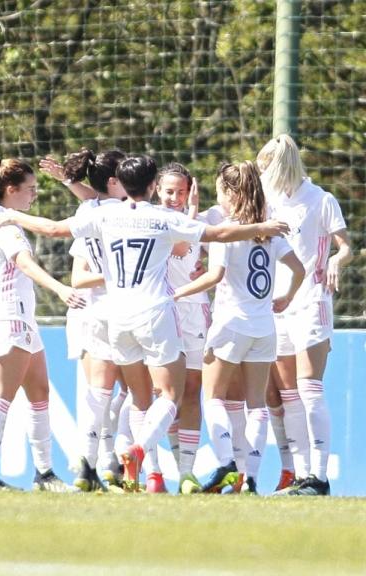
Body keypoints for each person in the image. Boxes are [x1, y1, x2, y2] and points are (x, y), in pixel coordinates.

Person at [0, 155, 289, 491]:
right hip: (154, 315)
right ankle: (138, 450)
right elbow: (219, 233)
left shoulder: (105, 214)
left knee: (136, 395)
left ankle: (122, 467)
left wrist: (13, 215)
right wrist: (261, 228)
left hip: (117, 318)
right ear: (152, 187)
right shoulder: (162, 219)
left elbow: (54, 229)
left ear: (123, 183)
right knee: (171, 394)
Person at [172, 161, 304, 495]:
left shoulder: (227, 232)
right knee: (255, 404)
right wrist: (285, 297)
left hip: (231, 324)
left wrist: (176, 293)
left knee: (212, 396)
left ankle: (226, 462)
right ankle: (250, 478)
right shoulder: (267, 230)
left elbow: (213, 277)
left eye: (220, 191)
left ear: (231, 193)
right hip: (264, 328)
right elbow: (298, 269)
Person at [0, 157, 85, 492]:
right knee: (2, 396)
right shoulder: (5, 223)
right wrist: (61, 288)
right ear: (11, 189)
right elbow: (25, 263)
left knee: (39, 393)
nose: (34, 195)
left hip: (17, 315)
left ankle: (44, 474)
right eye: (30, 189)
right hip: (9, 316)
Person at [257, 135, 352, 496]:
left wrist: (334, 261)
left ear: (281, 164)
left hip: (311, 300)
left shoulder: (321, 200)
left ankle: (320, 476)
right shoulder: (269, 203)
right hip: (277, 303)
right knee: (286, 395)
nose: (262, 172)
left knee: (309, 388)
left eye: (266, 165)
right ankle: (299, 475)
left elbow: (345, 246)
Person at [45, 148, 130, 492]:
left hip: (89, 311)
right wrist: (118, 273)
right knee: (139, 391)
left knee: (100, 392)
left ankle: (93, 463)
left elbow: (92, 199)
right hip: (121, 309)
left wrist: (68, 181)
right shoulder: (128, 213)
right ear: (114, 181)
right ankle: (119, 461)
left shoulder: (87, 210)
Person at [156, 162, 209, 494]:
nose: (175, 198)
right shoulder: (151, 222)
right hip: (160, 313)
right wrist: (189, 217)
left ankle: (187, 473)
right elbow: (177, 244)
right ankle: (150, 472)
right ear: (157, 191)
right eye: (169, 191)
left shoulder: (203, 224)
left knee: (191, 390)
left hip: (195, 312)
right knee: (161, 394)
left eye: (182, 192)